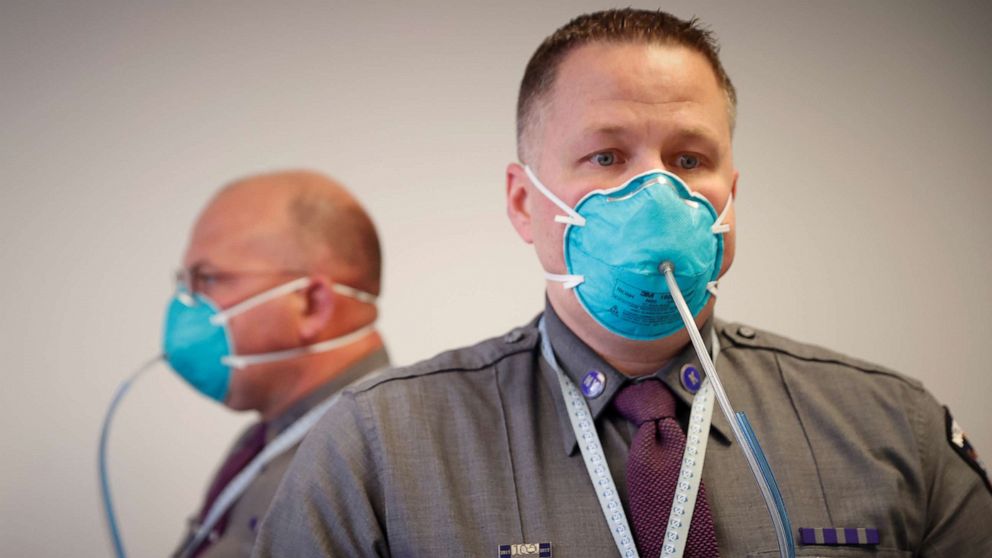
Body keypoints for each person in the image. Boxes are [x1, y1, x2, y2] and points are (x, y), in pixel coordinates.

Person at [253, 10, 992, 557]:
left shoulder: (897, 430)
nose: (656, 191)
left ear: (732, 198)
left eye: (690, 159)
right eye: (607, 157)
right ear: (524, 202)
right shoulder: (376, 448)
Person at [166, 170, 389, 558]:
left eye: (209, 279)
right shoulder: (264, 442)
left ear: (311, 304)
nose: (185, 305)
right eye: (185, 283)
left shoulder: (374, 462)